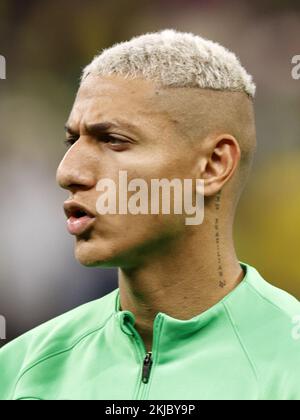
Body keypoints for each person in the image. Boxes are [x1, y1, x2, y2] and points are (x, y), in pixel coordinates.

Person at [0, 29, 299, 400]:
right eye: (72, 141)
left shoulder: (291, 361)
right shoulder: (19, 371)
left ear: (212, 165)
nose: (67, 172)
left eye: (113, 140)